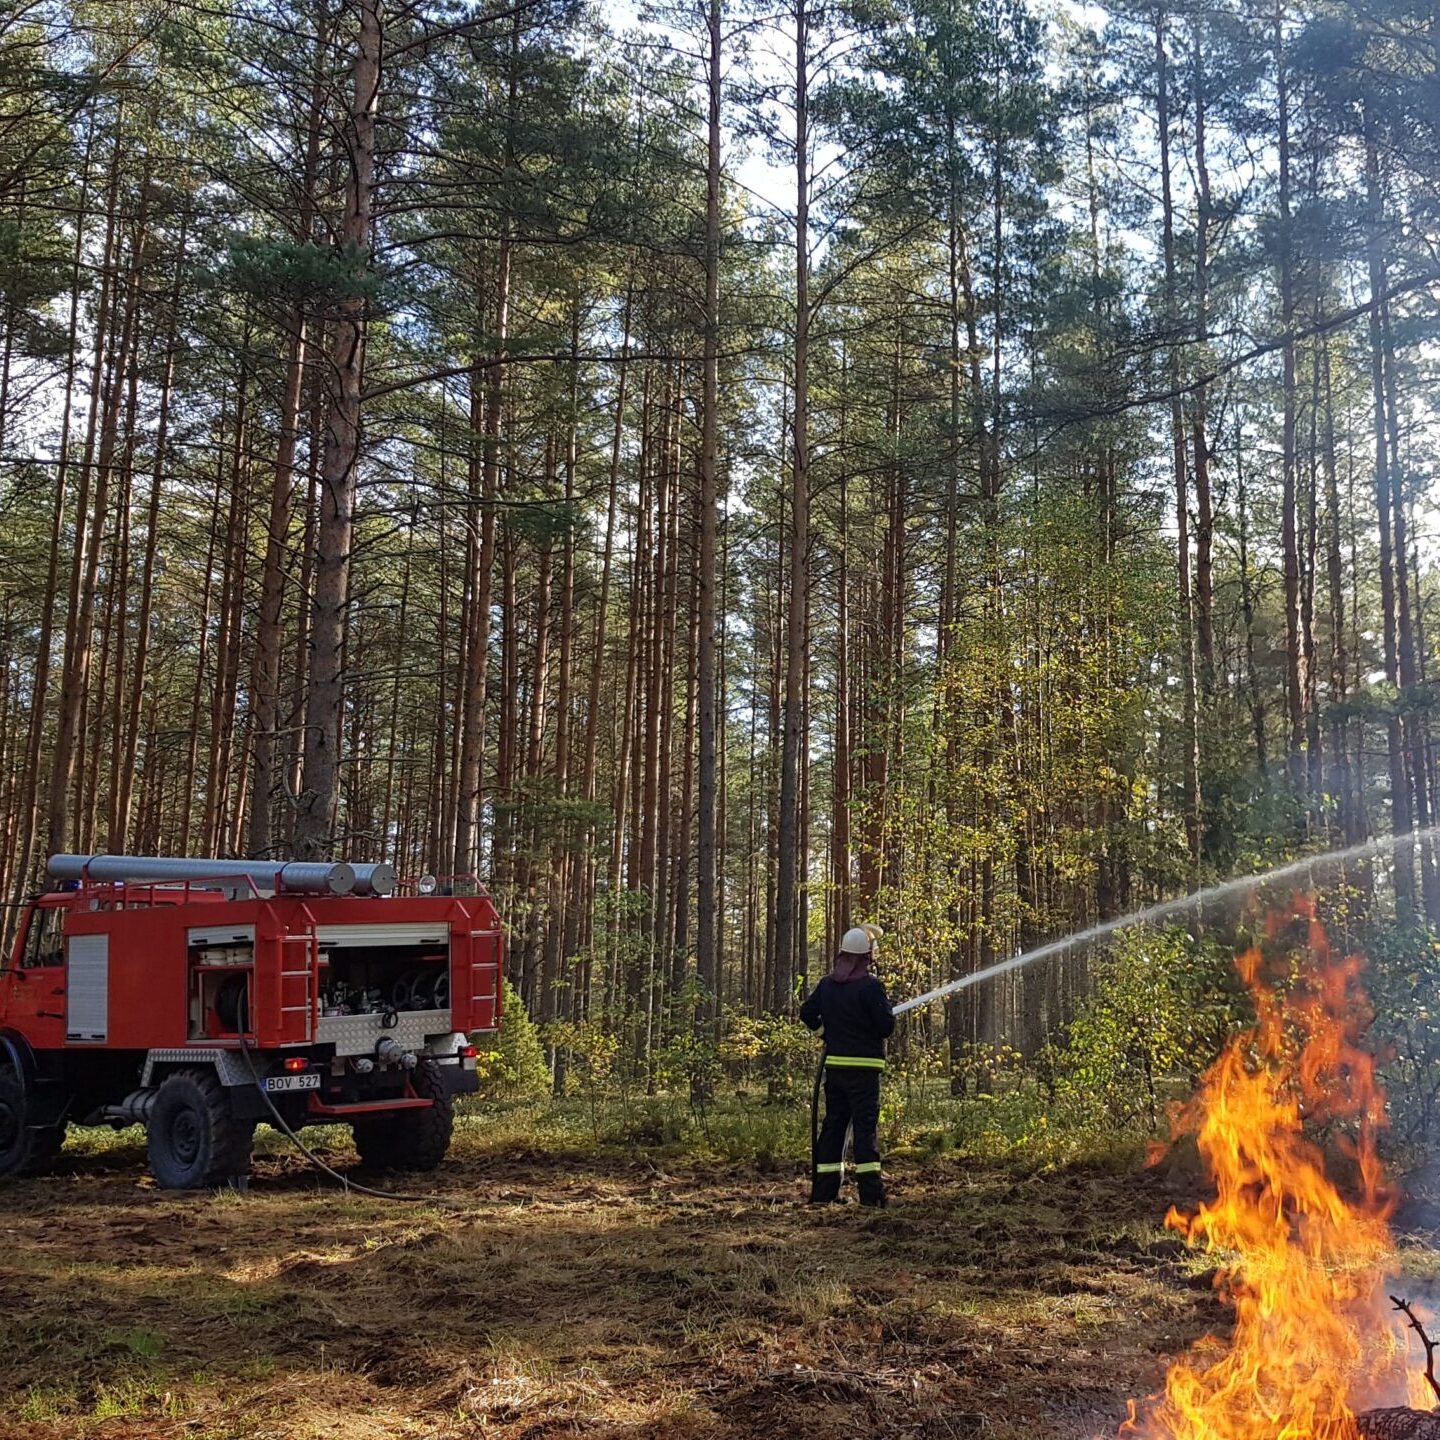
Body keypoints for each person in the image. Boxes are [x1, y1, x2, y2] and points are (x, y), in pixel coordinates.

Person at [799, 924, 894, 1207]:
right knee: (865, 1130)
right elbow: (885, 1027)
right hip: (865, 1073)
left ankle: (823, 1194)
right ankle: (871, 1196)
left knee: (834, 1127)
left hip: (837, 1071)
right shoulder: (871, 986)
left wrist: (826, 1034)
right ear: (866, 957)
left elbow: (807, 1013)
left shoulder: (828, 985)